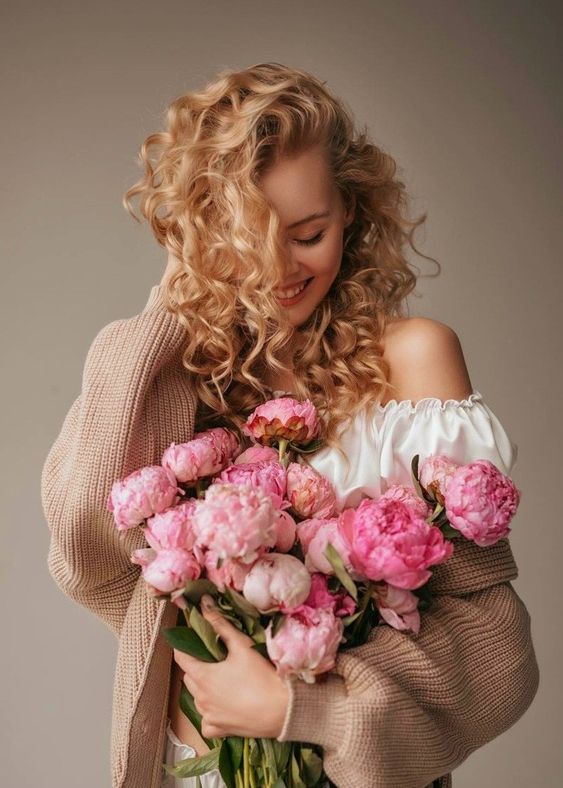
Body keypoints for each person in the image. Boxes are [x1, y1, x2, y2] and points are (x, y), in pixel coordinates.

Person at [41, 62, 539, 788]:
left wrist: (296, 708)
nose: (279, 269)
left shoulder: (414, 360)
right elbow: (82, 544)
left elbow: (496, 651)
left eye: (308, 233)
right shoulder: (179, 376)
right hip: (188, 771)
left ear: (352, 213)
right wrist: (173, 301)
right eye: (247, 241)